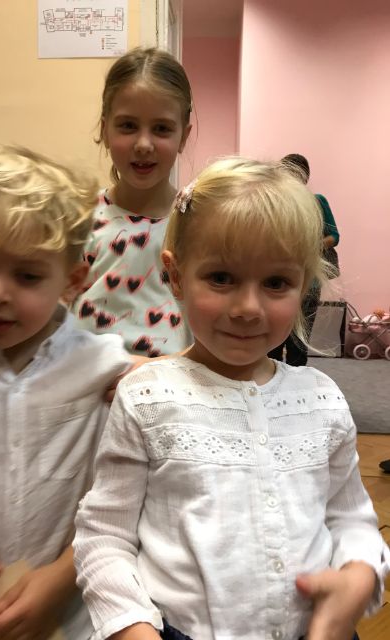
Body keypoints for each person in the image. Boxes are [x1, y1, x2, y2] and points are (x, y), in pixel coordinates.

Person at [73, 157, 389, 640]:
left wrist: (358, 577)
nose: (247, 308)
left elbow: (350, 520)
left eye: (276, 283)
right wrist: (132, 627)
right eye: (221, 278)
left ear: (303, 287)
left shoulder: (321, 399)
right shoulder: (147, 397)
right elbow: (105, 536)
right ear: (176, 276)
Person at [0, 145, 132, 639]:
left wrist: (62, 577)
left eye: (27, 275)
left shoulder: (106, 368)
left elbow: (124, 503)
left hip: (68, 621)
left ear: (72, 280)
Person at [73, 47, 193, 357]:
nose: (143, 144)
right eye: (128, 126)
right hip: (89, 379)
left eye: (161, 129)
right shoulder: (78, 219)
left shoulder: (198, 223)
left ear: (183, 136)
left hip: (172, 380)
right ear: (105, 130)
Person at [268, 153, 340, 366]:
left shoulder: (317, 202)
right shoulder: (274, 204)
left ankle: (296, 383)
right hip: (276, 280)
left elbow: (334, 236)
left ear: (304, 176)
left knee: (299, 342)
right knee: (272, 339)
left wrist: (307, 247)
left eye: (294, 173)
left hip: (309, 281)